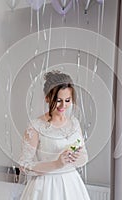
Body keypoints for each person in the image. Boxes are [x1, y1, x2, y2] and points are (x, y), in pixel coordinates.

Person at [18, 70, 90, 200]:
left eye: (67, 100)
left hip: (71, 184)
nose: (63, 105)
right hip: (45, 187)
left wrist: (75, 158)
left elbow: (84, 157)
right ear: (47, 98)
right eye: (58, 100)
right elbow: (24, 165)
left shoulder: (74, 123)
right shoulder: (36, 126)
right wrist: (57, 164)